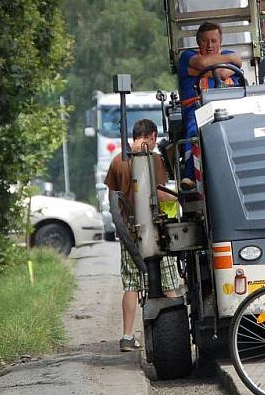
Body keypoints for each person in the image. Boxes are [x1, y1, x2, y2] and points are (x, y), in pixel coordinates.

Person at [104, 119, 182, 352]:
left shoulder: (118, 160)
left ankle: (127, 336)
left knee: (131, 284)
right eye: (154, 139)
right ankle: (171, 336)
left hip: (129, 234)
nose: (155, 143)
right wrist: (179, 196)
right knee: (168, 282)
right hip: (154, 233)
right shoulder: (153, 159)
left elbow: (112, 198)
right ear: (149, 136)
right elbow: (158, 194)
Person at [177, 21, 243, 189]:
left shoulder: (228, 53)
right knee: (194, 130)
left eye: (214, 41)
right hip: (198, 107)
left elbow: (218, 71)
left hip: (230, 107)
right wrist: (229, 62)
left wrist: (204, 69)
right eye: (205, 41)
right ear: (198, 42)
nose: (209, 45)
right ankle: (191, 175)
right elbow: (215, 68)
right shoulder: (187, 57)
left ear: (220, 42)